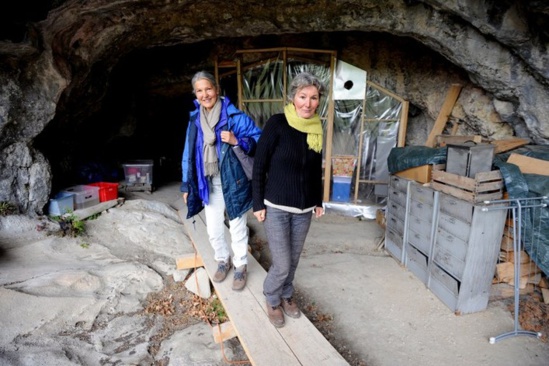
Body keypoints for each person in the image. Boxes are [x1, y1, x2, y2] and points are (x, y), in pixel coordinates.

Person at [252, 72, 325, 327]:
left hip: (304, 208)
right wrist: (258, 203)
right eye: (302, 96)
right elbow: (259, 164)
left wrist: (318, 200)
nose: (308, 103)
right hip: (276, 207)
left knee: (293, 260)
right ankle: (271, 296)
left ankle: (286, 294)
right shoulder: (277, 123)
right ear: (293, 97)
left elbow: (316, 168)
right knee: (282, 263)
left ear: (319, 101)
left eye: (313, 97)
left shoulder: (316, 128)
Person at [181, 71, 262, 291]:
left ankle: (240, 266)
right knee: (214, 229)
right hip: (209, 182)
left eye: (208, 89)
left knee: (237, 228)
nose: (205, 94)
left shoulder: (234, 117)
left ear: (217, 89)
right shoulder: (195, 121)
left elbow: (259, 139)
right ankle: (222, 260)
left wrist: (238, 141)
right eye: (200, 91)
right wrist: (186, 184)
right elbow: (188, 153)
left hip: (234, 181)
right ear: (195, 95)